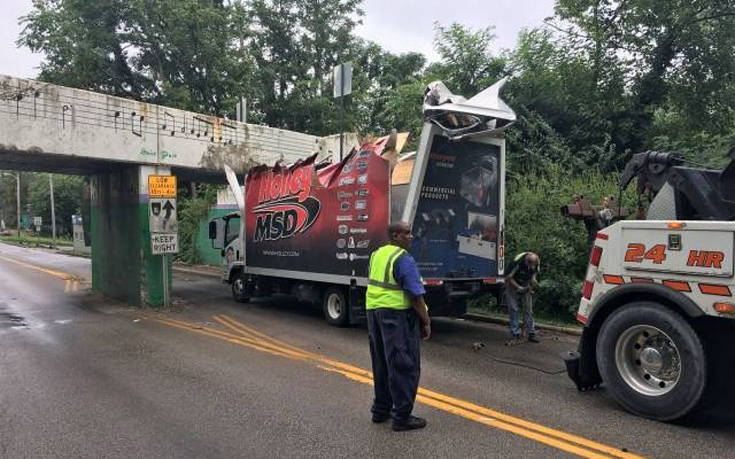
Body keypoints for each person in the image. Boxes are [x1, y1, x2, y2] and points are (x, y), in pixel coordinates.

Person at [366, 221, 431, 431]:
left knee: (382, 363)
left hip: (374, 313)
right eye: (406, 233)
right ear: (395, 235)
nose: (411, 237)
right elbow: (415, 295)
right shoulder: (403, 259)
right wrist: (426, 321)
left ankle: (380, 411)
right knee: (404, 365)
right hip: (396, 316)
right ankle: (402, 417)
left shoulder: (377, 254)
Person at [505, 251, 540, 343]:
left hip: (526, 282)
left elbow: (534, 272)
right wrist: (519, 288)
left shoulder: (536, 260)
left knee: (528, 309)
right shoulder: (517, 262)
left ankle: (530, 333)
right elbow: (509, 277)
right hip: (512, 282)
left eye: (533, 265)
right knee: (513, 308)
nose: (531, 267)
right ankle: (515, 333)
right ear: (526, 261)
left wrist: (533, 279)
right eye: (529, 265)